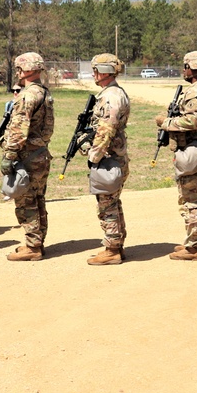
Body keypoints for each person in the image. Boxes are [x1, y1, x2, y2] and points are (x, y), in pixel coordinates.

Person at [155, 51, 197, 261]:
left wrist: (166, 122)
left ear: (192, 67)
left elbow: (192, 122)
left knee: (190, 199)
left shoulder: (196, 92)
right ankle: (196, 240)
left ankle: (193, 248)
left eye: (185, 66)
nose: (183, 70)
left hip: (193, 148)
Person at [2, 53, 55, 261]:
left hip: (27, 156)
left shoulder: (27, 95)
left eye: (18, 69)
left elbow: (18, 128)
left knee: (26, 201)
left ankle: (32, 246)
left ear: (25, 70)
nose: (17, 73)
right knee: (38, 198)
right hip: (41, 152)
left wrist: (9, 155)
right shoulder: (44, 93)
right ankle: (38, 241)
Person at [81, 53, 130, 265]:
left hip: (109, 159)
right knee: (112, 203)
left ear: (104, 72)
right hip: (112, 156)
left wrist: (93, 155)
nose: (94, 74)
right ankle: (115, 244)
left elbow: (106, 130)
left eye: (96, 70)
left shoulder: (111, 96)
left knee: (107, 205)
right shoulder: (111, 93)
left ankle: (112, 250)